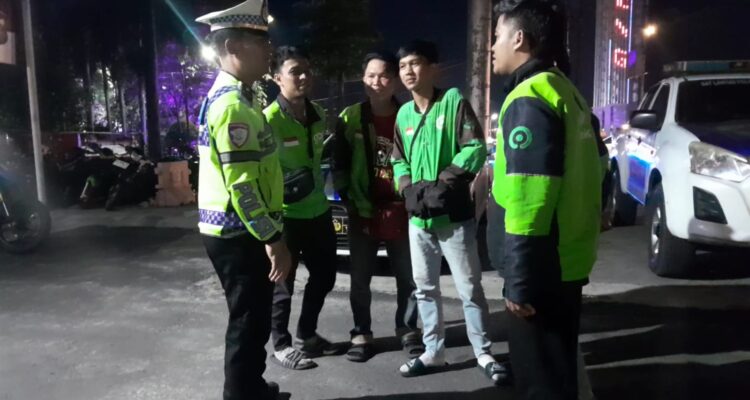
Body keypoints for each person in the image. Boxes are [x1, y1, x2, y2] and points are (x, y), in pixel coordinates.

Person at [490, 0, 602, 398]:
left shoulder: (530, 97)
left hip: (541, 268)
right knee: (559, 373)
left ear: (519, 39)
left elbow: (530, 196)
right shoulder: (565, 90)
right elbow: (599, 170)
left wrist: (520, 281)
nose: (492, 47)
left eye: (498, 37)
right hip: (565, 260)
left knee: (540, 383)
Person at [391, 40, 509, 386]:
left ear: (434, 69)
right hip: (419, 219)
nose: (408, 71)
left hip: (454, 217)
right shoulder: (404, 114)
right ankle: (433, 351)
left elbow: (474, 147)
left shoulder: (454, 102)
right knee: (424, 288)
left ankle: (483, 352)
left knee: (469, 287)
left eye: (415, 63)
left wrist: (443, 183)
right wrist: (407, 188)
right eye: (403, 66)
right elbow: (397, 159)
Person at [195, 1, 291, 399]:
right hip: (238, 231)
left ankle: (252, 386)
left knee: (253, 318)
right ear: (233, 47)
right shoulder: (233, 106)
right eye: (260, 42)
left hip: (237, 229)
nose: (269, 50)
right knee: (248, 321)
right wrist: (274, 239)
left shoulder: (243, 96)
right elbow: (243, 188)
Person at [333, 51, 422, 363]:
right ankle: (361, 332)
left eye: (383, 75)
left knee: (408, 277)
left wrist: (413, 200)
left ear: (394, 81)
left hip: (402, 210)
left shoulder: (410, 114)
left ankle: (407, 329)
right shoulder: (350, 117)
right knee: (360, 278)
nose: (376, 81)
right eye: (370, 75)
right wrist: (348, 199)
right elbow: (339, 163)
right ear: (363, 79)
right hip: (362, 210)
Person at [264, 45, 340, 370]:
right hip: (286, 217)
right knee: (283, 285)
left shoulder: (319, 114)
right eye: (295, 71)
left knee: (325, 276)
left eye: (307, 70)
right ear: (277, 78)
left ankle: (306, 334)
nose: (304, 76)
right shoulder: (268, 120)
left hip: (319, 211)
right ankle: (281, 345)